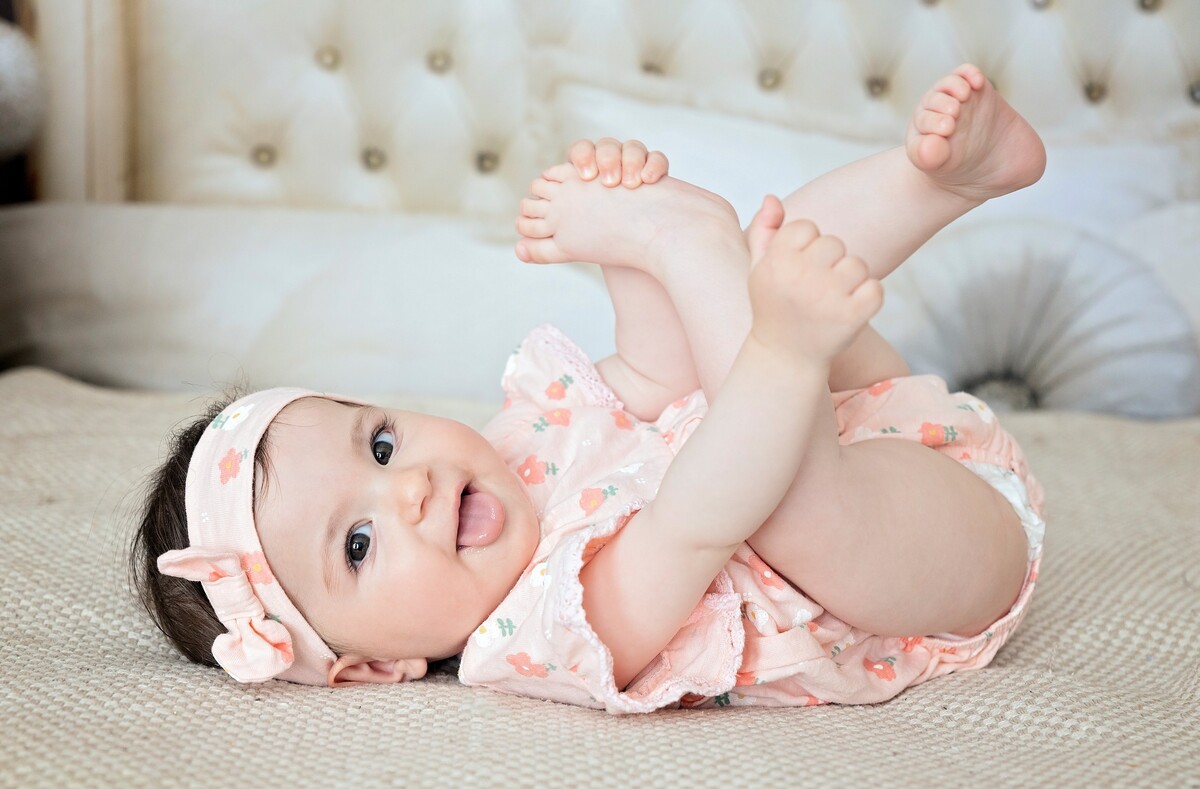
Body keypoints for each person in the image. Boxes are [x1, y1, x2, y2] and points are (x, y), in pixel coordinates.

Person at [131, 64, 1047, 712]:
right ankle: (698, 248)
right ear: (374, 666)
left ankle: (941, 181)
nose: (407, 487)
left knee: (757, 275)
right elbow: (700, 518)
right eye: (359, 543)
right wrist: (712, 287)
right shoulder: (535, 638)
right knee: (784, 490)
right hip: (925, 567)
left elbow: (655, 376)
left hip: (878, 428)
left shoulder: (521, 446)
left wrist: (632, 270)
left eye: (380, 445)